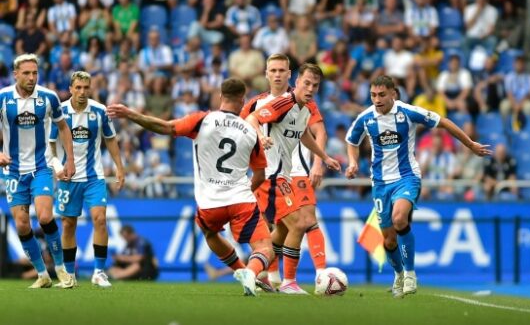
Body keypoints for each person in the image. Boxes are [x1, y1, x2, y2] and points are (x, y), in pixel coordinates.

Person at [108, 78, 274, 296]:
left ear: (220, 96)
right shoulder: (251, 132)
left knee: (210, 233)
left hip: (209, 204)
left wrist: (131, 114)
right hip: (241, 199)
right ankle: (251, 272)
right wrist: (244, 192)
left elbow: (164, 127)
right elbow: (261, 174)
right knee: (264, 248)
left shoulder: (203, 120)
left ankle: (242, 271)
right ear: (243, 100)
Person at [345, 75, 491, 297]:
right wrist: (353, 162)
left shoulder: (408, 112)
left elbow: (444, 122)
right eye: (373, 95)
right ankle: (399, 274)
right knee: (388, 239)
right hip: (380, 183)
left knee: (399, 218)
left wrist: (469, 144)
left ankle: (411, 273)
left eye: (382, 94)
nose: (377, 99)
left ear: (393, 93)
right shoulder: (365, 117)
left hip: (407, 177)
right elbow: (352, 141)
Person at [243, 57, 341, 294]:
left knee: (285, 230)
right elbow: (251, 118)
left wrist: (324, 157)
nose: (310, 89)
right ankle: (288, 282)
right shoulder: (283, 103)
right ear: (296, 81)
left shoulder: (305, 108)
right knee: (301, 222)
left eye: (314, 86)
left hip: (282, 177)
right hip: (270, 176)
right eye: (306, 83)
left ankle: (255, 271)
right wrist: (260, 136)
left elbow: (304, 135)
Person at [0, 53, 76, 288]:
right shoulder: (2, 98)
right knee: (22, 224)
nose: (32, 77)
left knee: (44, 216)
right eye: (26, 73)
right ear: (15, 74)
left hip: (41, 166)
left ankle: (62, 269)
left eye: (35, 73)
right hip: (13, 170)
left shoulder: (48, 97)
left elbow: (63, 127)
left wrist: (69, 160)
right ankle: (42, 274)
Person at [48, 71, 125, 288]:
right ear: (71, 89)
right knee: (68, 224)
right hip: (68, 177)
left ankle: (99, 272)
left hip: (94, 176)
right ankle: (69, 275)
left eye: (86, 88)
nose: (82, 92)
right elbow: (50, 142)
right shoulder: (59, 111)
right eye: (78, 87)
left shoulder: (99, 111)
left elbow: (110, 140)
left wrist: (119, 167)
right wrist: (56, 166)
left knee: (100, 219)